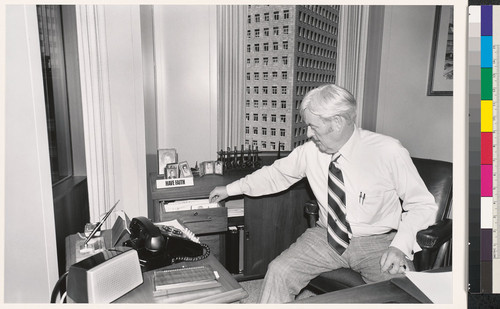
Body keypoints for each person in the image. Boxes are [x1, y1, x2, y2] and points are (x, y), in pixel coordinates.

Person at [209, 84, 438, 303]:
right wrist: (229, 189)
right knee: (279, 271)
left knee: (404, 293)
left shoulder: (388, 151)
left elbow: (422, 204)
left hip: (378, 243)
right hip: (326, 236)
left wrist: (400, 246)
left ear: (337, 122)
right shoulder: (310, 152)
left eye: (313, 126)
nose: (308, 134)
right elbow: (274, 175)